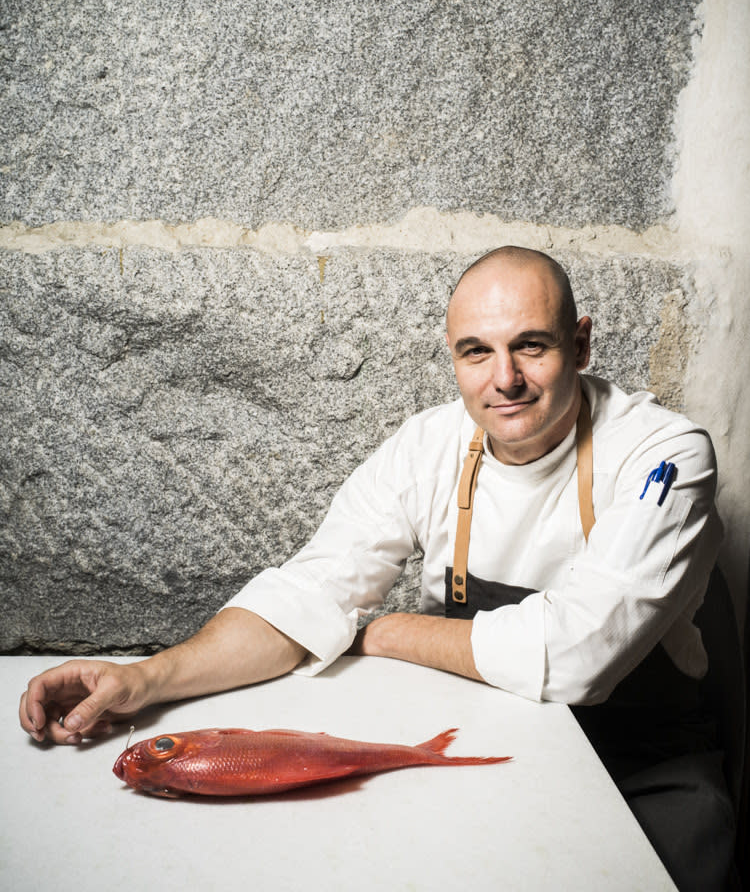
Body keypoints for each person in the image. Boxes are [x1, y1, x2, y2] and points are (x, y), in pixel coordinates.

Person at [19, 247, 734, 890]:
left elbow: (577, 656)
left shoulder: (663, 454)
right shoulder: (428, 446)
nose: (504, 379)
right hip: (493, 742)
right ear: (453, 358)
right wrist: (145, 678)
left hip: (641, 762)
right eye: (476, 352)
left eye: (532, 346)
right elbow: (308, 592)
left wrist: (387, 631)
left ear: (580, 343)